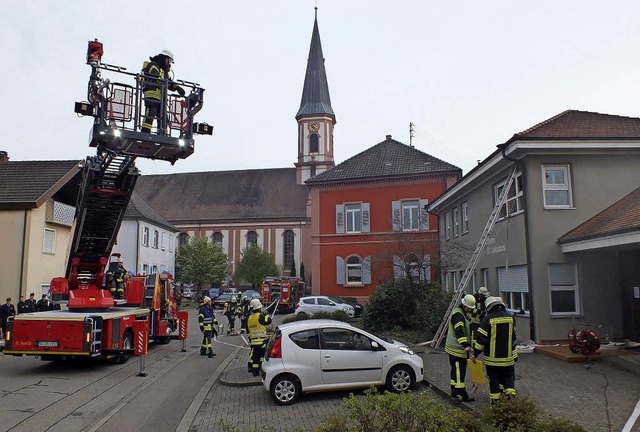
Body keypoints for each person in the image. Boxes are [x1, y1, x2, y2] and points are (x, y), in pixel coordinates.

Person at [472, 296, 518, 404]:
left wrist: (475, 354)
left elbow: (481, 341)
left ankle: (496, 408)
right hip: (508, 360)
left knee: (494, 383)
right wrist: (514, 355)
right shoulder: (511, 318)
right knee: (508, 381)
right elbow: (514, 339)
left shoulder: (487, 320)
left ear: (489, 307)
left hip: (493, 361)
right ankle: (512, 405)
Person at [140, 50, 185, 134]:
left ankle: (162, 133)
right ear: (164, 58)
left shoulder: (164, 72)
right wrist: (166, 82)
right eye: (169, 61)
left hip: (161, 98)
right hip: (152, 94)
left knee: (163, 117)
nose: (169, 64)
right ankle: (145, 131)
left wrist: (178, 87)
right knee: (151, 112)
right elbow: (155, 76)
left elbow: (169, 82)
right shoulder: (153, 65)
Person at [445, 294, 476, 402]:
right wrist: (466, 345)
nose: (471, 311)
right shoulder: (459, 315)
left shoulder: (461, 313)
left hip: (455, 349)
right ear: (464, 306)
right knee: (459, 373)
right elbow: (459, 331)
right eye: (469, 308)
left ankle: (454, 392)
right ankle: (461, 395)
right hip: (457, 350)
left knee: (455, 371)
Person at [247, 299, 272, 376]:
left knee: (255, 357)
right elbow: (269, 321)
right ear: (258, 308)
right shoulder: (260, 316)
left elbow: (248, 330)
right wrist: (266, 314)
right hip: (262, 341)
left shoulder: (250, 318)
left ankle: (255, 372)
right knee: (262, 357)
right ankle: (262, 371)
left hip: (254, 341)